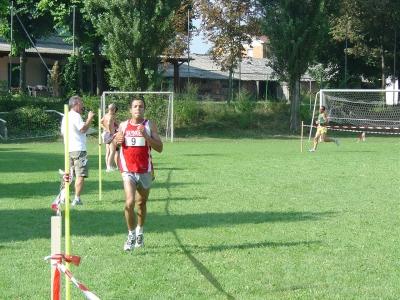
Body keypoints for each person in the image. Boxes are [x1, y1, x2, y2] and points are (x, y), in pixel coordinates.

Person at [113, 98, 163, 250]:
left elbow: (160, 148)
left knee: (141, 204)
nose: (138, 109)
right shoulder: (123, 125)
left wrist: (146, 136)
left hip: (145, 170)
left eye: (141, 107)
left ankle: (140, 232)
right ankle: (130, 235)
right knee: (129, 202)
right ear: (130, 110)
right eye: (135, 106)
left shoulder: (149, 125)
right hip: (128, 170)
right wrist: (117, 141)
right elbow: (115, 144)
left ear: (144, 110)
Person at [61, 95, 95, 205]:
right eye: (80, 104)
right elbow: (83, 129)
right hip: (79, 149)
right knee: (80, 174)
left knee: (69, 174)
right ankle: (77, 198)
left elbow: (63, 133)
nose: (82, 106)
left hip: (69, 149)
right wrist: (89, 118)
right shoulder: (76, 116)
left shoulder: (66, 116)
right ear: (74, 105)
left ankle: (64, 197)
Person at [101, 103, 118, 171]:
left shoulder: (105, 115)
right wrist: (111, 131)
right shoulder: (111, 116)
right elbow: (108, 123)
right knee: (112, 151)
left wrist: (104, 128)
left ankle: (109, 166)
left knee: (108, 151)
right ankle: (109, 167)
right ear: (113, 110)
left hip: (106, 134)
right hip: (110, 134)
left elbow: (100, 122)